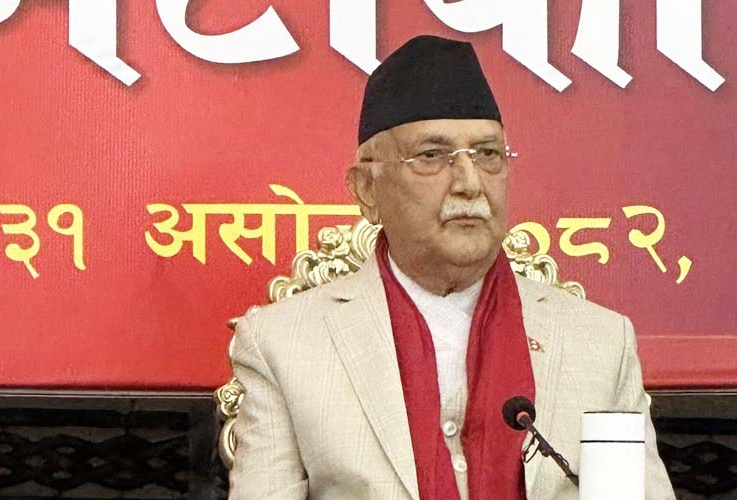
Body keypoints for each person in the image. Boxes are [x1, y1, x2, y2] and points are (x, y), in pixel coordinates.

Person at [228, 35, 675, 500]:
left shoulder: (600, 343)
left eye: (488, 154)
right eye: (432, 156)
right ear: (367, 188)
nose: (469, 183)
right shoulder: (286, 344)